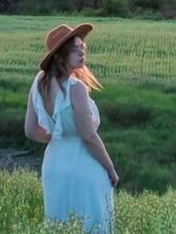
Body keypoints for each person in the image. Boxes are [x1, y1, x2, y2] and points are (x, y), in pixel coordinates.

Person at [25, 23, 118, 233]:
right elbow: (88, 136)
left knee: (59, 224)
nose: (81, 51)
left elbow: (31, 131)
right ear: (60, 55)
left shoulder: (39, 83)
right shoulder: (76, 88)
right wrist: (110, 168)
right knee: (92, 223)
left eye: (81, 47)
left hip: (54, 164)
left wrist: (59, 137)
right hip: (83, 165)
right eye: (74, 48)